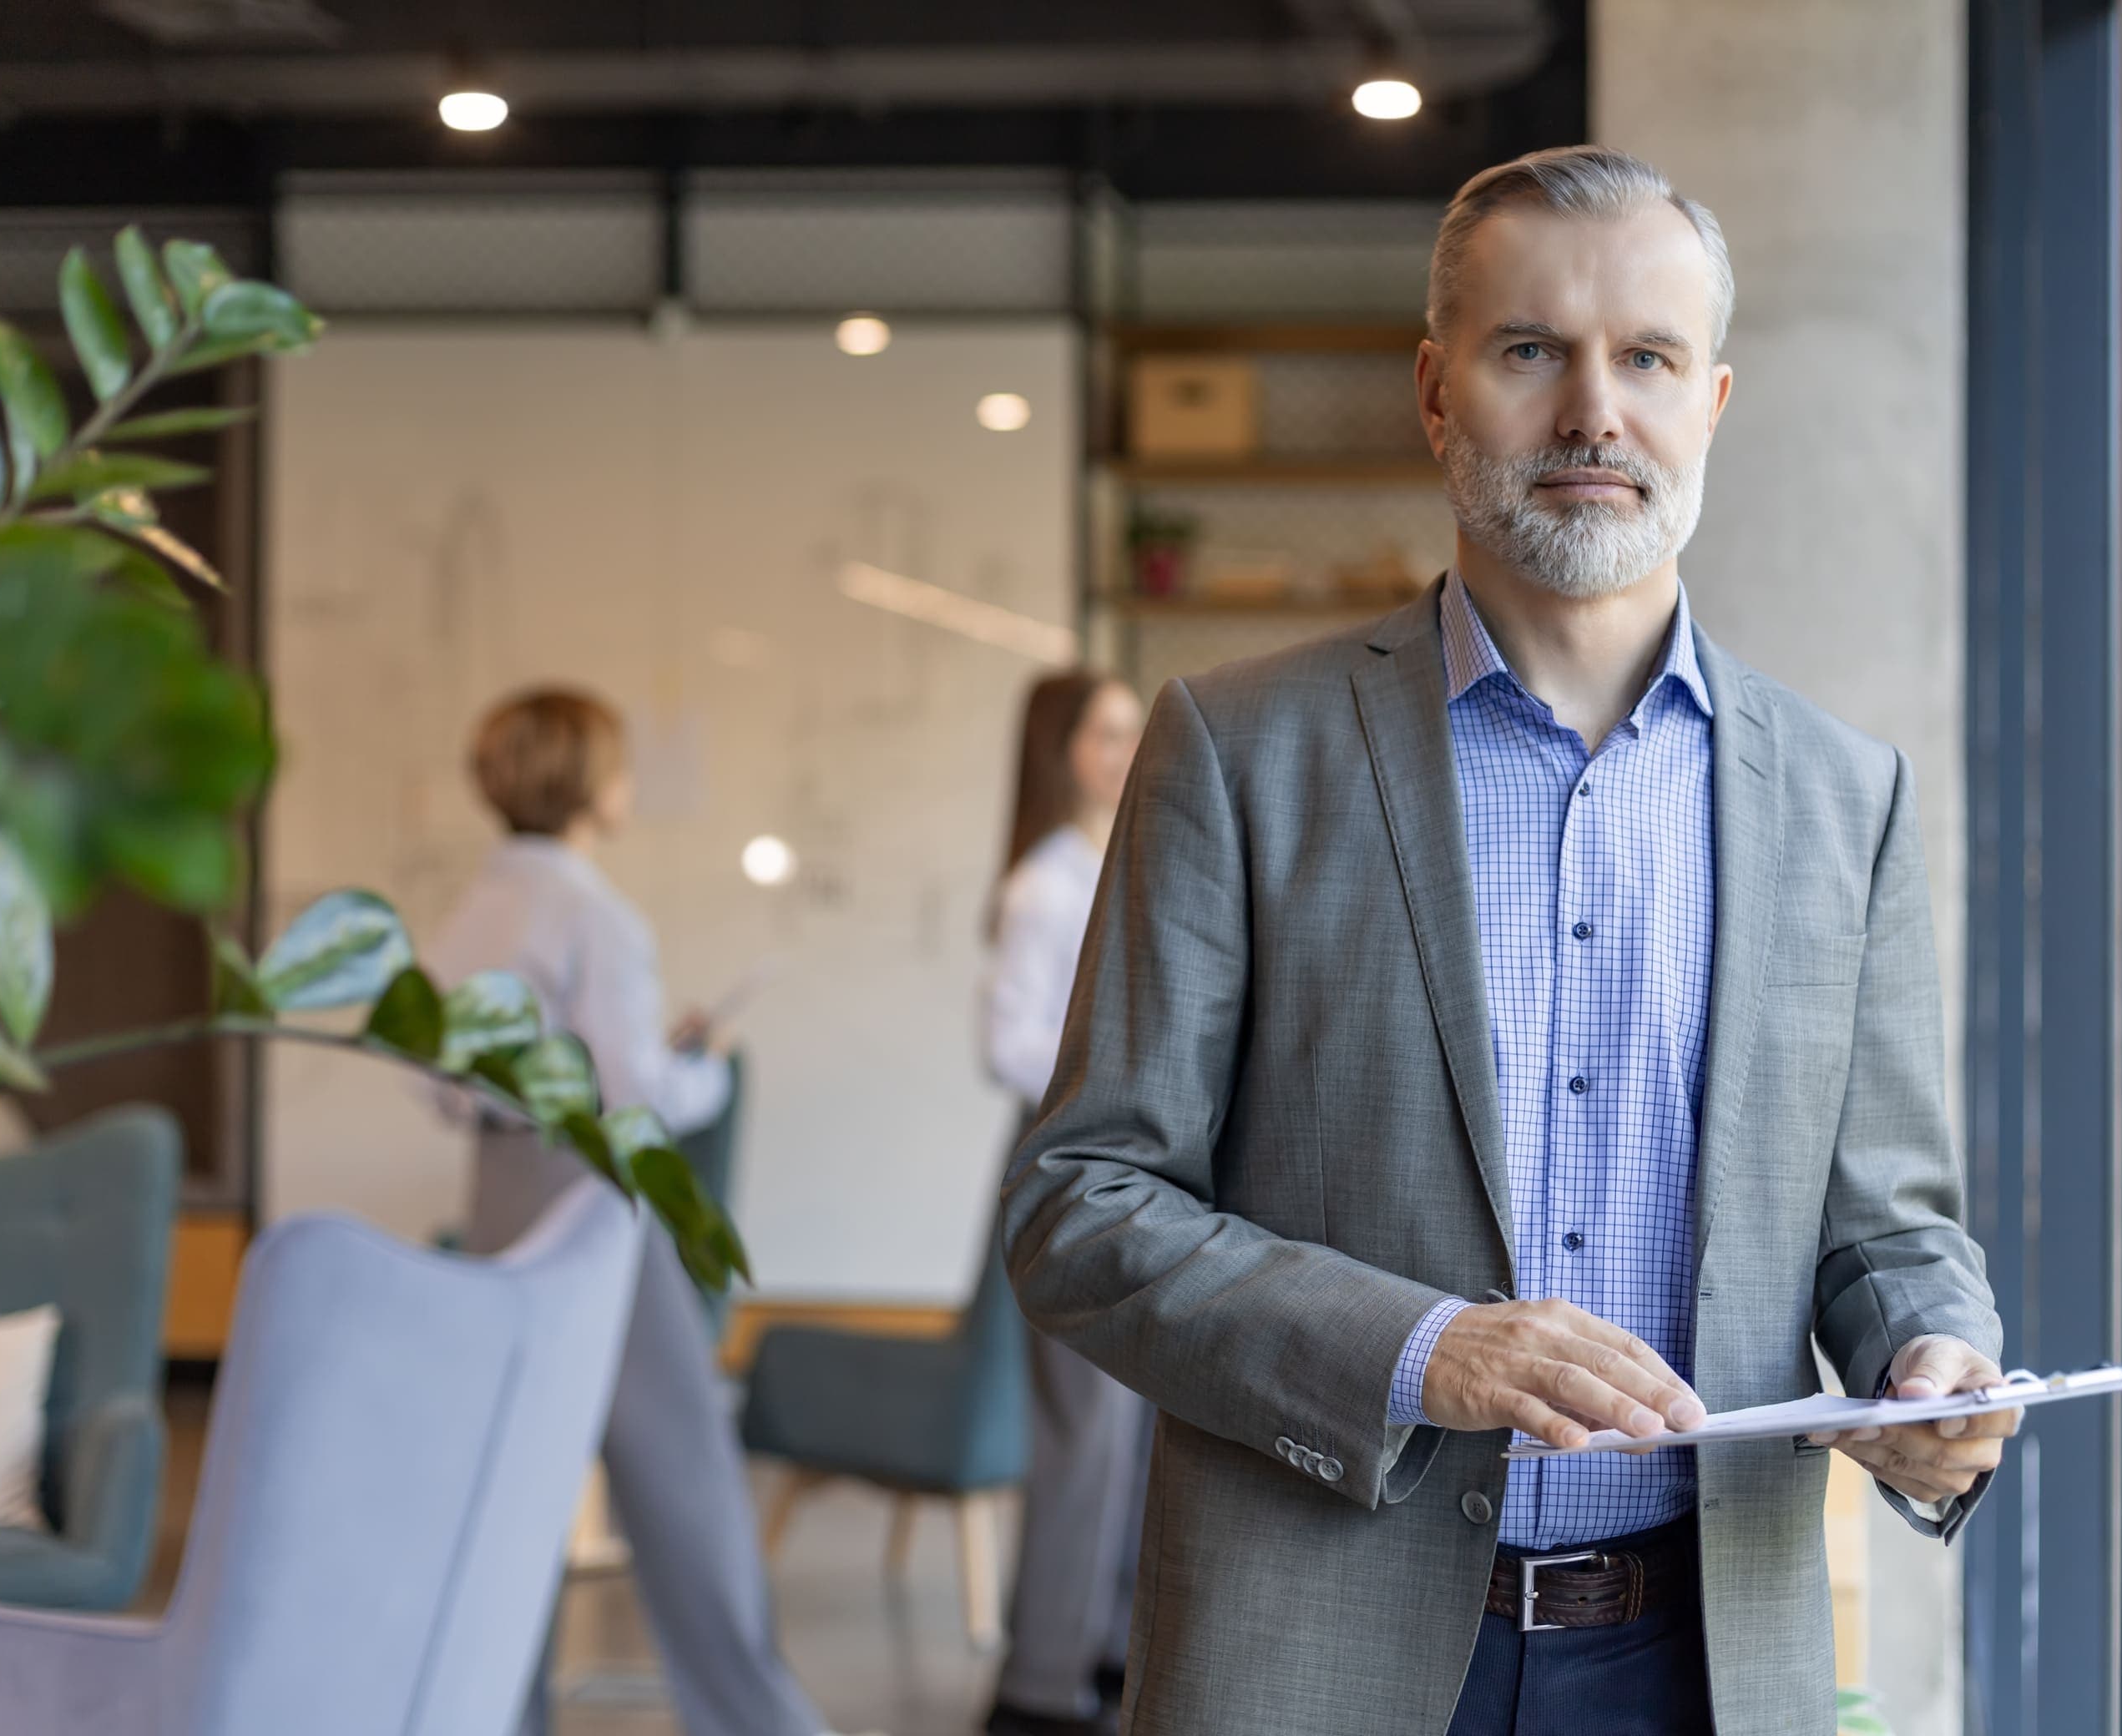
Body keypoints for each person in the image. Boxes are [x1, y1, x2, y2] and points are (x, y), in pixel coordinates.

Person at [1001, 145, 2018, 1736]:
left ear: (1714, 406)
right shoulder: (1240, 750)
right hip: (1316, 1663)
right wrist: (1418, 1353)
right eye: (1531, 350)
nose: (1592, 414)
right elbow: (1081, 1206)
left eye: (1649, 359)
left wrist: (1935, 1359)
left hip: (1704, 1668)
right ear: (1434, 390)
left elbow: (1886, 1227)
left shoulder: (1844, 795)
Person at [427, 687, 832, 1736]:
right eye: (617, 762)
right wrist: (705, 1072)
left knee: (512, 1487)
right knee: (686, 1472)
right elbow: (632, 1090)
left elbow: (439, 1087)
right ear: (586, 781)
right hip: (592, 1196)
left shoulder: (468, 913)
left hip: (496, 1198)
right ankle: (761, 1721)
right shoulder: (595, 914)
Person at [978, 671, 1149, 1736]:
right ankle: (1040, 1683)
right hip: (1065, 1159)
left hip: (1125, 1160)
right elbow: (1003, 1046)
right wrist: (1121, 1065)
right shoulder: (1043, 883)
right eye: (1106, 733)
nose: (1128, 750)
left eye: (1137, 731)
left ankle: (1115, 1649)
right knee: (1084, 1431)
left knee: (1133, 1430)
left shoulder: (1114, 864)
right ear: (1059, 748)